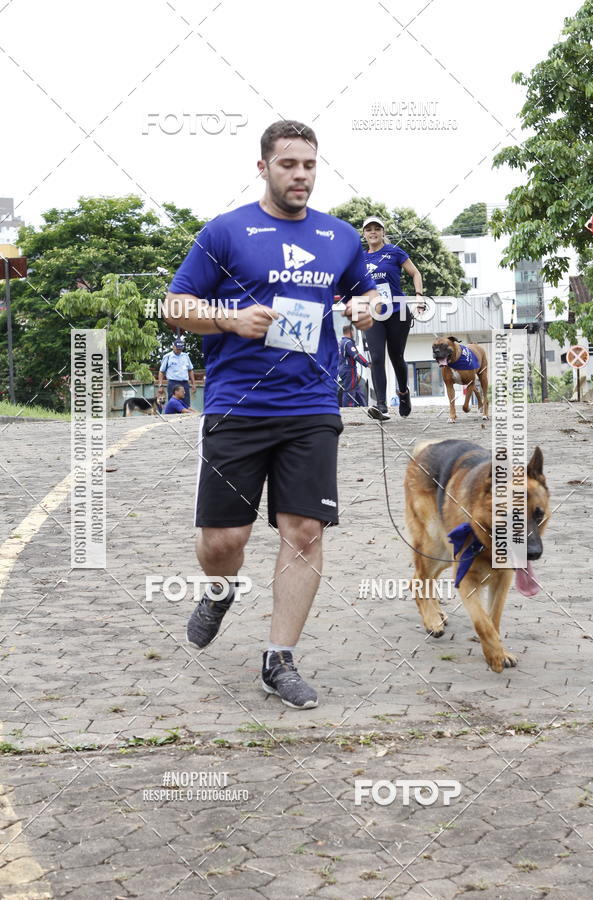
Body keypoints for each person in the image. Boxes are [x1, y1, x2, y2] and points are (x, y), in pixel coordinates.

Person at [165, 119, 377, 709]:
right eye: (289, 165)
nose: (301, 175)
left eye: (310, 165)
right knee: (222, 540)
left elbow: (371, 293)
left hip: (311, 404)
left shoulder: (339, 237)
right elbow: (176, 303)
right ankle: (219, 589)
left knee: (304, 531)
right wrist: (230, 319)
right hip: (237, 405)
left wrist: (366, 306)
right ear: (263, 167)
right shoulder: (227, 232)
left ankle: (278, 659)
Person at [362, 216, 424, 421]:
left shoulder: (394, 252)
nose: (373, 232)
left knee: (396, 357)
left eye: (376, 229)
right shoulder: (360, 259)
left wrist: (419, 297)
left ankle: (403, 393)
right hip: (373, 313)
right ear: (364, 234)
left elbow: (415, 273)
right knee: (377, 357)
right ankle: (382, 406)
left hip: (398, 311)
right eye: (368, 229)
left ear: (382, 232)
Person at [338, 324, 370, 407]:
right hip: (349, 369)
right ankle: (348, 408)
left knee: (357, 389)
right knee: (350, 390)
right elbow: (356, 355)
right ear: (351, 332)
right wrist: (367, 364)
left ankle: (363, 406)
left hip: (342, 369)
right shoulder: (348, 343)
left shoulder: (340, 343)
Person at [157, 338, 196, 405]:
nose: (179, 350)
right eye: (177, 349)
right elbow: (161, 372)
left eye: (180, 349)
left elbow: (190, 370)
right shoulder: (168, 356)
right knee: (173, 404)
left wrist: (193, 384)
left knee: (186, 404)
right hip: (173, 383)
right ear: (173, 347)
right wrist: (160, 385)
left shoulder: (185, 356)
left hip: (184, 383)